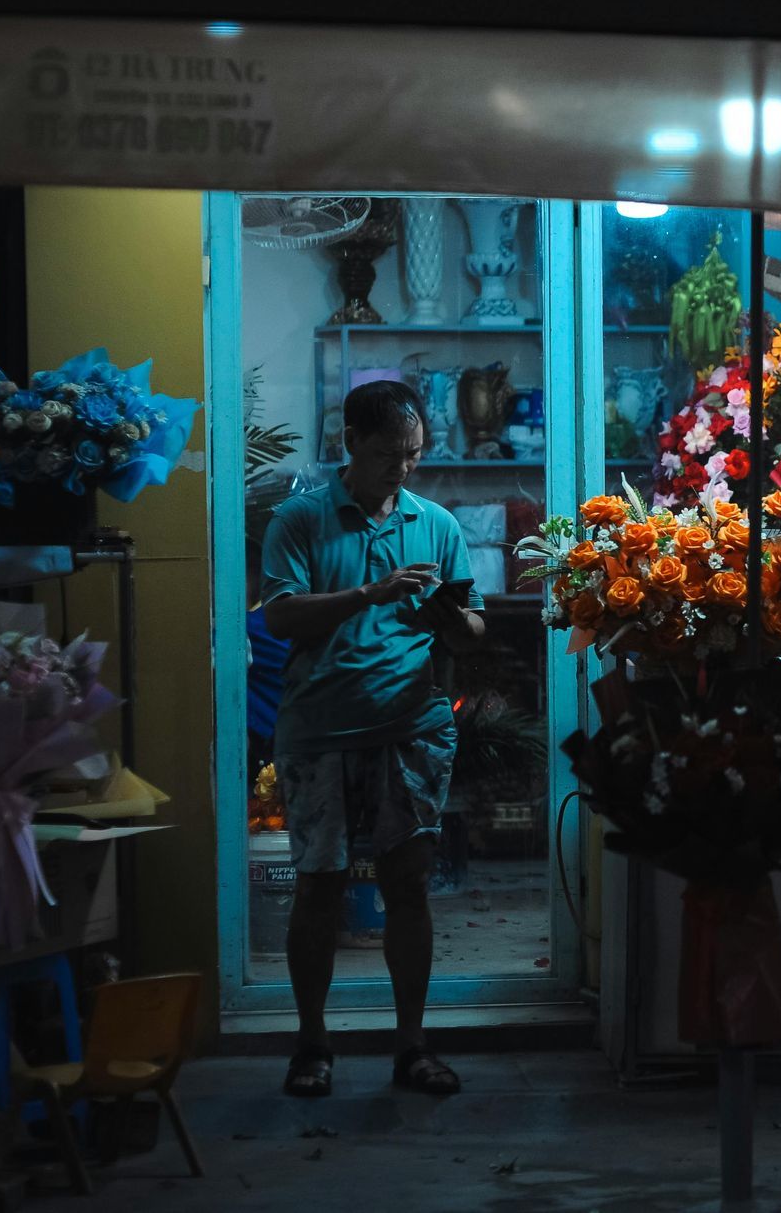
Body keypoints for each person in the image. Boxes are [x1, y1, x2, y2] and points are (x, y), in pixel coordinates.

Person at [259, 381, 485, 1097]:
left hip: (410, 728)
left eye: (414, 454)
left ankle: (413, 1046)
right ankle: (312, 1043)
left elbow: (474, 626)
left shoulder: (437, 524)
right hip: (320, 729)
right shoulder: (300, 520)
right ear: (350, 441)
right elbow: (282, 618)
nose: (402, 469)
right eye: (389, 454)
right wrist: (369, 594)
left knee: (408, 885)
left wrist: (451, 624)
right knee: (319, 888)